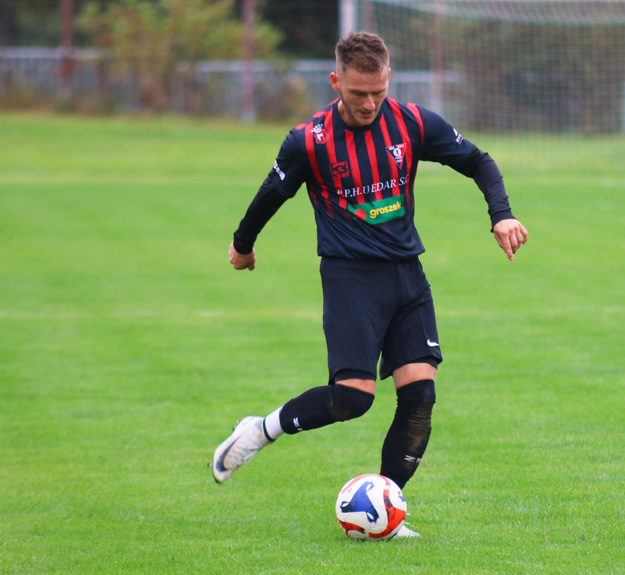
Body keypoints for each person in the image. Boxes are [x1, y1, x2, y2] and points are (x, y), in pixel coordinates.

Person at [212, 32, 528, 537]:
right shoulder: (308, 141)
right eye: (358, 92)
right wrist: (243, 244)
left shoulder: (413, 122)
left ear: (388, 80)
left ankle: (384, 510)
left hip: (407, 275)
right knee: (353, 398)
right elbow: (271, 193)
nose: (368, 103)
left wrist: (502, 215)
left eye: (377, 91)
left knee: (420, 395)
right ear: (336, 81)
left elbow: (478, 161)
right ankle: (258, 430)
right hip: (349, 278)